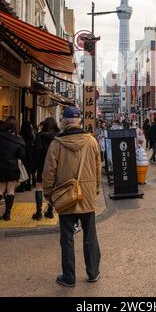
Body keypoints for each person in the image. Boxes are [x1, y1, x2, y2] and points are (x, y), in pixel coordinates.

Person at [43, 106, 101, 288]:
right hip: (87, 195)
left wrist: (48, 193)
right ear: (79, 121)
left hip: (65, 194)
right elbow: (98, 168)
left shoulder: (56, 144)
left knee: (67, 237)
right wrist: (96, 188)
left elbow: (49, 172)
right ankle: (93, 273)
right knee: (90, 235)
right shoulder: (92, 141)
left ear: (65, 122)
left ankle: (69, 277)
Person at [0, 117, 26, 222]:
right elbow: (22, 154)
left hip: (1, 166)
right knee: (10, 190)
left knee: (0, 190)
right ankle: (7, 214)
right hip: (13, 167)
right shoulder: (18, 139)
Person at [31, 117, 60, 220]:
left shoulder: (39, 136)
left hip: (41, 167)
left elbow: (36, 153)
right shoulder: (59, 137)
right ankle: (50, 211)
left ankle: (38, 212)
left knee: (39, 188)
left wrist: (33, 169)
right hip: (55, 167)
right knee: (52, 189)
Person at [19, 121, 35, 192]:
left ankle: (23, 185)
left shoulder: (21, 136)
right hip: (31, 155)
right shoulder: (32, 136)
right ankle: (30, 184)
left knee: (23, 170)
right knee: (30, 170)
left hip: (23, 155)